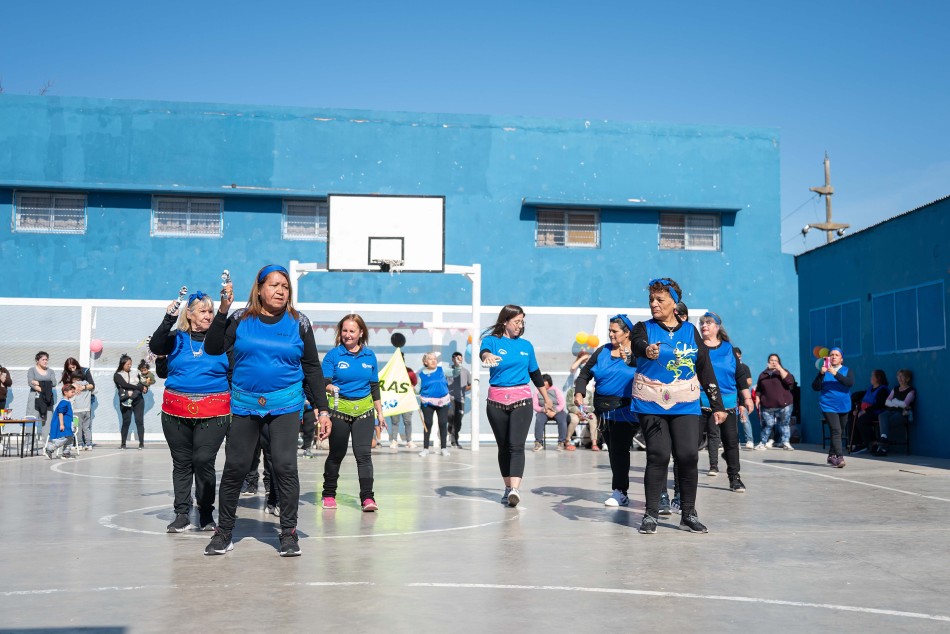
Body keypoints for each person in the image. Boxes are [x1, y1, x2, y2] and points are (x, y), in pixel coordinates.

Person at [204, 264, 332, 557]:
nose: (280, 291)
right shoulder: (239, 318)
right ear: (259, 289)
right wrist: (222, 311)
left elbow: (312, 367)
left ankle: (288, 533)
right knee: (236, 468)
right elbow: (213, 348)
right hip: (245, 405)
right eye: (273, 285)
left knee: (285, 467)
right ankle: (224, 532)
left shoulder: (299, 322)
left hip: (285, 405)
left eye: (285, 286)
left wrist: (322, 410)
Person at [626, 278, 726, 535]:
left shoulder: (690, 331)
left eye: (660, 299)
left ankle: (688, 514)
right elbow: (637, 345)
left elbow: (704, 367)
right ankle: (651, 514)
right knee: (658, 455)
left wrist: (717, 405)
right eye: (651, 299)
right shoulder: (643, 328)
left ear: (674, 302)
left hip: (685, 400)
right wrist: (647, 350)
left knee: (688, 455)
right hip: (651, 401)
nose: (654, 304)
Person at [149, 290, 232, 533]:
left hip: (214, 411)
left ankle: (205, 512)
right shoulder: (176, 338)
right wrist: (168, 317)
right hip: (175, 411)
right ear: (189, 314)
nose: (208, 315)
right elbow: (156, 345)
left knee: (203, 460)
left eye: (211, 311)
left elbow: (234, 371)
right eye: (203, 311)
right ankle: (182, 514)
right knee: (182, 463)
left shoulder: (223, 340)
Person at [480, 304, 553, 507]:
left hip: (522, 400)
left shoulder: (526, 346)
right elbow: (484, 353)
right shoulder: (491, 341)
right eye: (517, 321)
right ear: (505, 321)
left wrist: (546, 398)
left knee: (516, 445)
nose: (520, 325)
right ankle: (507, 487)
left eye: (522, 322)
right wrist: (487, 356)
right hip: (496, 401)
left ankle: (515, 489)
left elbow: (535, 374)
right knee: (503, 447)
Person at [321, 314, 386, 511]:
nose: (347, 334)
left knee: (364, 455)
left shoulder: (370, 356)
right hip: (339, 411)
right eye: (344, 331)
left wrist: (380, 413)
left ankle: (368, 498)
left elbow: (374, 386)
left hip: (365, 411)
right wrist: (330, 387)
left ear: (361, 333)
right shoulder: (333, 355)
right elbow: (324, 382)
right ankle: (328, 494)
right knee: (336, 454)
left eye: (352, 331)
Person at [574, 314, 639, 506]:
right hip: (603, 412)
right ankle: (621, 489)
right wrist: (579, 392)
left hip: (626, 409)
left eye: (614, 331)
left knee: (619, 449)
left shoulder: (637, 354)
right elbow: (584, 374)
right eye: (609, 331)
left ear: (627, 333)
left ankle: (621, 491)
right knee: (613, 450)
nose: (610, 334)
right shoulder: (602, 351)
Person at [697, 312, 752, 492]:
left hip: (727, 404)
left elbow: (740, 375)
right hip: (700, 402)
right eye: (702, 323)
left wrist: (747, 398)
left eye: (708, 322)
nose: (704, 325)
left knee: (731, 442)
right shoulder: (696, 348)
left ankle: (734, 478)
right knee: (691, 444)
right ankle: (682, 481)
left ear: (717, 326)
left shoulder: (728, 349)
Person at [811, 347, 853, 468]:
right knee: (836, 430)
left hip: (844, 405)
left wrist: (835, 373)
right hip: (828, 405)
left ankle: (831, 456)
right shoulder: (823, 371)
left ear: (841, 359)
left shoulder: (847, 370)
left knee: (840, 431)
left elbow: (849, 383)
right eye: (832, 355)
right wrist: (821, 374)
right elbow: (815, 387)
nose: (834, 356)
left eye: (836, 355)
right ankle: (839, 457)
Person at [754, 354, 796, 451]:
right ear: (768, 362)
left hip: (784, 405)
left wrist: (780, 369)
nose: (773, 362)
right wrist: (757, 398)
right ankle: (762, 443)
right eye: (771, 360)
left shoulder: (783, 372)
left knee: (784, 424)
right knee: (767, 424)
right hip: (767, 406)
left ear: (779, 362)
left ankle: (785, 443)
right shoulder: (763, 374)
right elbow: (759, 389)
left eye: (775, 360)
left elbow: (790, 382)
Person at [873, 369, 915, 457]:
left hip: (901, 414)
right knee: (882, 415)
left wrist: (894, 401)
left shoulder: (911, 391)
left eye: (902, 376)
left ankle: (882, 447)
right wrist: (897, 403)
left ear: (907, 379)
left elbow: (905, 404)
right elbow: (886, 402)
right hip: (890, 412)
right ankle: (883, 440)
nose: (899, 378)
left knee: (884, 423)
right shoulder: (895, 389)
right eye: (898, 376)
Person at [416, 352, 452, 457]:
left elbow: (454, 372)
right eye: (430, 359)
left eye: (435, 359)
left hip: (443, 401)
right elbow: (417, 390)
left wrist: (458, 366)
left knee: (443, 423)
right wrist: (411, 387)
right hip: (427, 402)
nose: (433, 361)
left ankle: (444, 448)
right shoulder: (421, 375)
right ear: (425, 362)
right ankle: (425, 448)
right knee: (427, 423)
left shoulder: (442, 370)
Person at [850, 369, 889, 454]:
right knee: (853, 418)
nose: (871, 378)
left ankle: (873, 443)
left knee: (862, 420)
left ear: (878, 378)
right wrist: (858, 410)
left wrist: (865, 411)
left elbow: (880, 404)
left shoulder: (882, 390)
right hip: (866, 411)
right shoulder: (870, 388)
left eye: (873, 376)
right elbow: (864, 401)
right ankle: (858, 443)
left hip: (877, 412)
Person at [113, 354, 148, 449]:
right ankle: (123, 444)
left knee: (139, 421)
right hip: (125, 400)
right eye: (128, 364)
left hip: (138, 400)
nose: (130, 366)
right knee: (126, 421)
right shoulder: (117, 375)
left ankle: (141, 443)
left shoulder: (136, 373)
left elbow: (143, 383)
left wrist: (145, 388)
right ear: (122, 364)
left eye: (131, 364)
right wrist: (139, 388)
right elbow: (125, 385)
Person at [61, 358, 95, 450]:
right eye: (70, 368)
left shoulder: (73, 388)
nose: (72, 369)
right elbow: (93, 388)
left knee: (77, 427)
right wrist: (85, 387)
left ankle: (79, 444)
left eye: (73, 367)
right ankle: (89, 444)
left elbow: (69, 397)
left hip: (76, 411)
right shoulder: (86, 384)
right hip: (87, 409)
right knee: (86, 427)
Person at [532, 374, 570, 451]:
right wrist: (543, 410)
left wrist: (555, 411)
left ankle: (561, 442)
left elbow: (562, 403)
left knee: (562, 420)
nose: (544, 386)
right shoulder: (537, 391)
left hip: (557, 410)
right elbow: (535, 405)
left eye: (546, 383)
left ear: (549, 383)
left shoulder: (556, 390)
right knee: (539, 420)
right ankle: (538, 442)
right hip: (543, 411)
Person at [27, 351, 57, 445]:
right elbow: (31, 383)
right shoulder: (32, 370)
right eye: (43, 359)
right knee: (31, 418)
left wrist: (39, 383)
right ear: (37, 360)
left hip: (47, 398)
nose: (45, 361)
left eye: (46, 359)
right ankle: (29, 443)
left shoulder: (50, 371)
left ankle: (46, 443)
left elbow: (54, 383)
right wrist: (45, 387)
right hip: (35, 397)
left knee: (47, 420)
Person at [45, 382, 77, 459]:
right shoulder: (63, 402)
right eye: (72, 392)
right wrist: (62, 424)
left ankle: (66, 453)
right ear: (65, 392)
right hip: (64, 424)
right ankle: (50, 449)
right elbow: (60, 413)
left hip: (68, 424)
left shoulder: (67, 402)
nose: (73, 394)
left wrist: (73, 424)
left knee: (69, 437)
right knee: (64, 438)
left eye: (74, 392)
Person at [447, 352, 472, 448]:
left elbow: (470, 384)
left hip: (460, 400)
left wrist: (463, 389)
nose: (459, 360)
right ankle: (450, 426)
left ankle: (454, 441)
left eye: (460, 358)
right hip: (449, 398)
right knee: (450, 415)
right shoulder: (448, 370)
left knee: (458, 421)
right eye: (457, 358)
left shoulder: (466, 371)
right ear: (452, 359)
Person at [733, 347, 755, 449]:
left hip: (742, 398)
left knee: (744, 420)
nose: (737, 359)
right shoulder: (729, 366)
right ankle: (735, 442)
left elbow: (749, 382)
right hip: (732, 398)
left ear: (740, 356)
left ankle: (749, 441)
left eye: (738, 357)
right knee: (732, 422)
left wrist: (740, 381)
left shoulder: (745, 367)